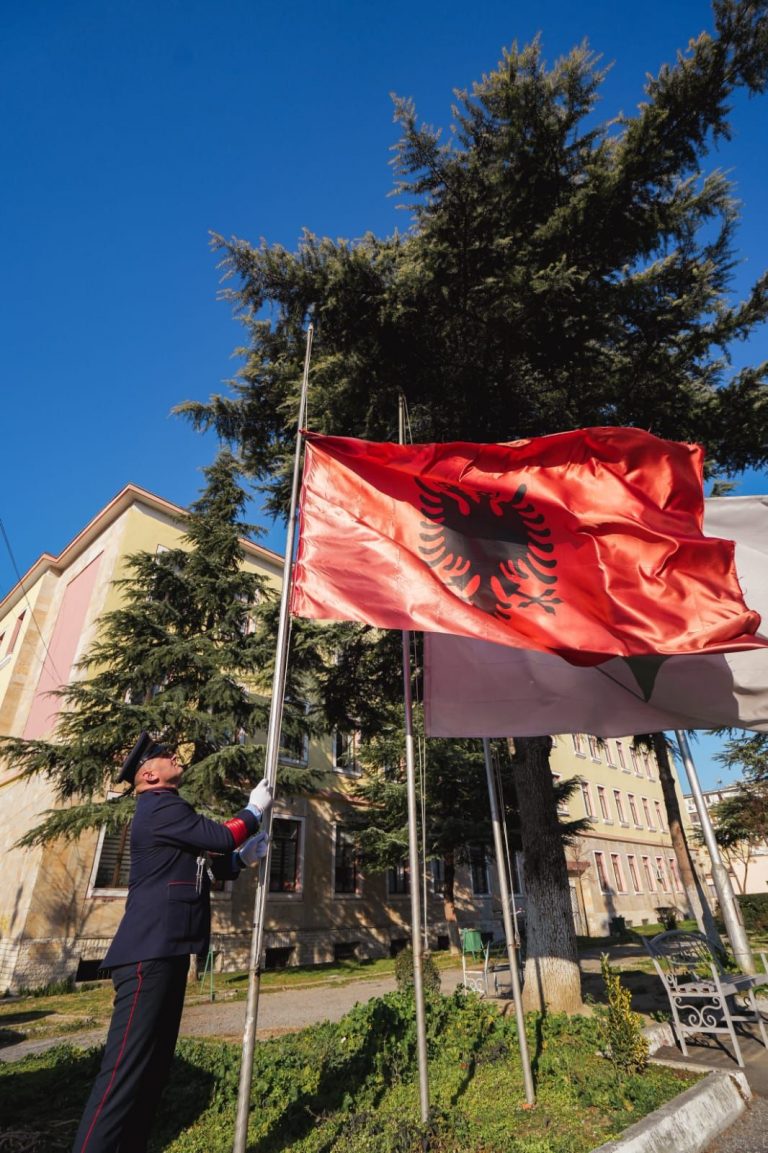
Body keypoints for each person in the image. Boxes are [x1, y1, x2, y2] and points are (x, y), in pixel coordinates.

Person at [72, 731, 273, 1153]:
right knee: (124, 1073)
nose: (174, 756)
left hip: (169, 951)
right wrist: (253, 811)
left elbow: (203, 867)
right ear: (148, 774)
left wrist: (242, 859)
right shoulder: (160, 806)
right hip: (149, 953)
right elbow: (220, 837)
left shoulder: (166, 812)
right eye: (165, 755)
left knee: (151, 1069)